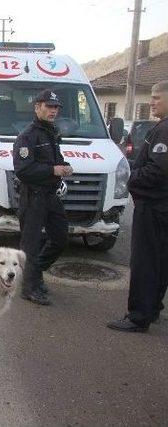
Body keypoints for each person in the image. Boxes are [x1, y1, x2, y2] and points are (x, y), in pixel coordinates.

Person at [108, 80, 168, 332]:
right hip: (159, 205)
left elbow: (158, 170)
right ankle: (152, 309)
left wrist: (130, 176)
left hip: (155, 207)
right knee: (160, 261)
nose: (152, 102)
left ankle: (139, 316)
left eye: (156, 97)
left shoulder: (164, 130)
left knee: (146, 262)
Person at [13, 89, 73, 306]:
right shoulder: (27, 136)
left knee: (60, 238)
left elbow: (55, 159)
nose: (53, 111)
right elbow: (23, 170)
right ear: (37, 107)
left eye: (56, 107)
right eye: (49, 106)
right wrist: (53, 170)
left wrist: (64, 166)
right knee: (30, 244)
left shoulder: (51, 132)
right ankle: (29, 288)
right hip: (34, 196)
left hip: (51, 195)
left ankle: (35, 273)